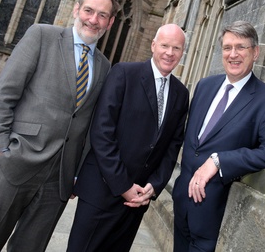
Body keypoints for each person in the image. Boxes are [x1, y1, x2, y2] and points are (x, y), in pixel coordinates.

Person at [0, 0, 119, 252]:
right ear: (76, 9)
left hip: (58, 179)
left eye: (102, 15)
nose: (94, 20)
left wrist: (76, 175)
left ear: (111, 22)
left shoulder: (106, 67)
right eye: (88, 10)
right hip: (15, 162)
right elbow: (4, 95)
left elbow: (90, 124)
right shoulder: (41, 36)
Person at [66, 23, 189, 252]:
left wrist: (155, 184)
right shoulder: (124, 73)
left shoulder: (181, 94)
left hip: (137, 201)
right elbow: (102, 132)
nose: (169, 53)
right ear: (153, 45)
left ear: (182, 53)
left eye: (176, 48)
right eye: (164, 45)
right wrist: (123, 185)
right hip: (102, 192)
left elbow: (172, 145)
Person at [172, 20, 265, 252]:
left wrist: (219, 161)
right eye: (227, 47)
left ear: (255, 52)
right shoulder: (204, 86)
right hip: (181, 205)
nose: (233, 54)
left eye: (241, 47)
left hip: (213, 219)